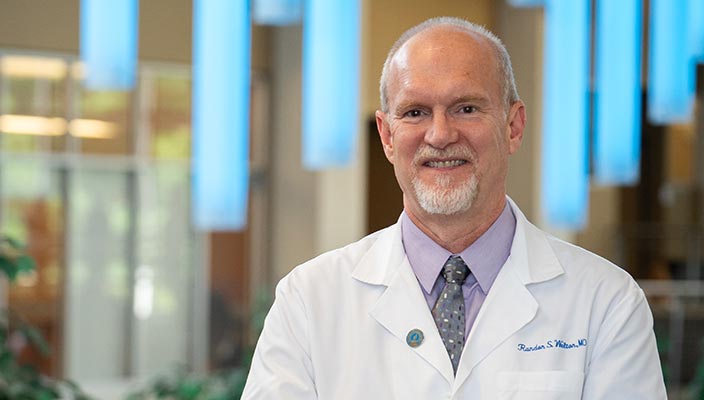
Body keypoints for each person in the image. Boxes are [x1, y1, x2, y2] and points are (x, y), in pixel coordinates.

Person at [242, 16, 667, 399]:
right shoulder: (308, 300)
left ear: (513, 126)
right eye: (414, 112)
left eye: (466, 108)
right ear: (387, 136)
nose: (440, 134)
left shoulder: (607, 302)